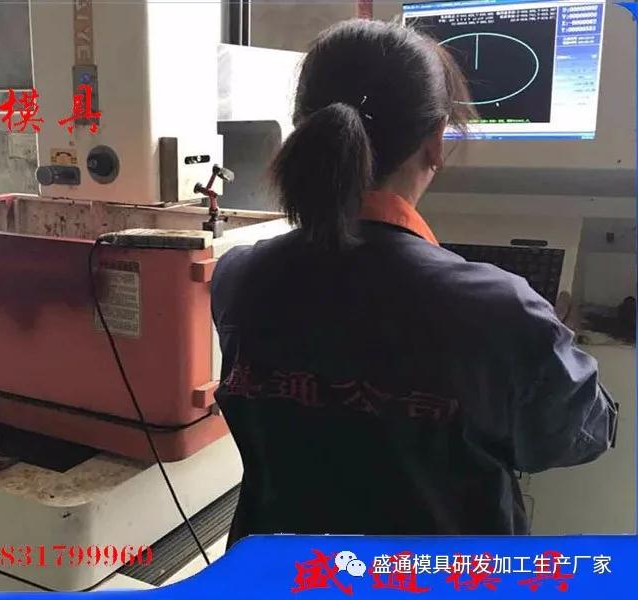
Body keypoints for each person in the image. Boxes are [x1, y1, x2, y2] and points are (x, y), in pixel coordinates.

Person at [210, 19, 618, 546]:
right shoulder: (501, 311)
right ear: (436, 141)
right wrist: (546, 342)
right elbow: (582, 434)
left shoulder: (238, 277)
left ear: (304, 129)